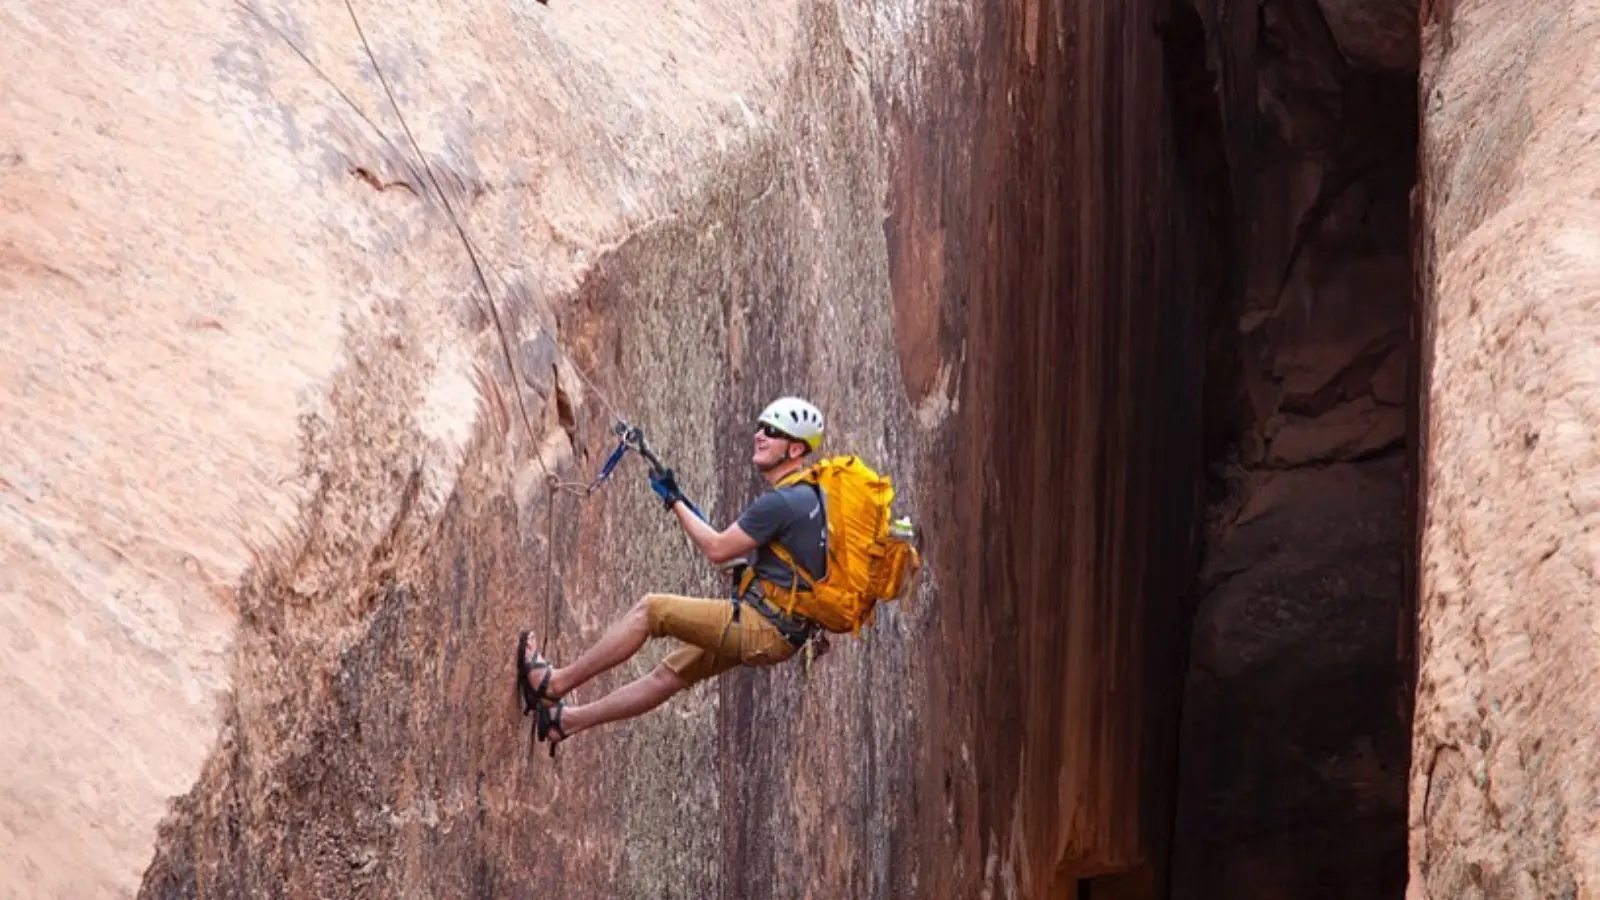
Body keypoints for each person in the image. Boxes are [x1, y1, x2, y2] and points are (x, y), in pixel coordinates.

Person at [514, 396, 830, 750]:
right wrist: (678, 499)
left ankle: (554, 684)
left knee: (652, 611)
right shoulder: (810, 495)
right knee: (669, 675)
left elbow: (717, 549)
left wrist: (673, 500)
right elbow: (781, 566)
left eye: (773, 432)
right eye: (761, 427)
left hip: (762, 626)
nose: (760, 435)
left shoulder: (782, 502)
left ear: (795, 449)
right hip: (780, 629)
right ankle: (565, 723)